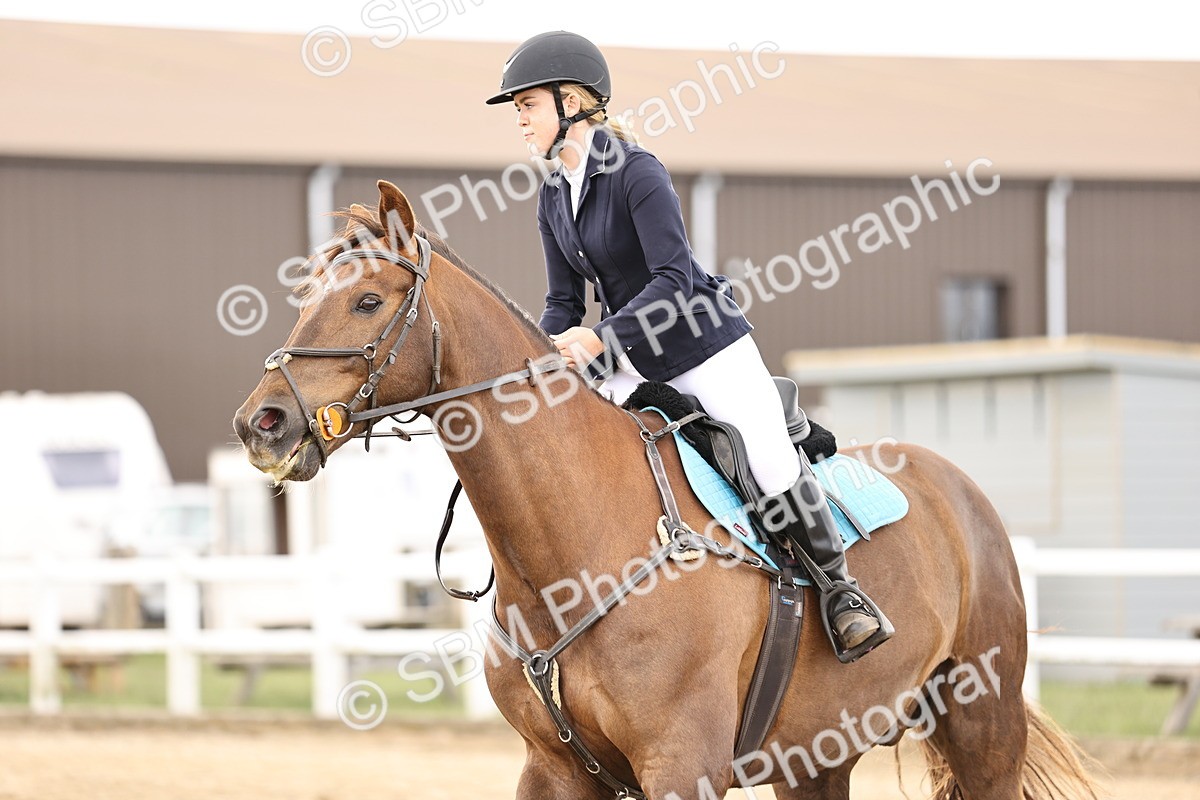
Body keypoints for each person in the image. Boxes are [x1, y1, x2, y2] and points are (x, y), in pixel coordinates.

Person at [485, 31, 889, 656]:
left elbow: (674, 278)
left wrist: (598, 338)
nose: (521, 121)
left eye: (528, 106)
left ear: (572, 102)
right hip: (627, 357)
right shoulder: (551, 197)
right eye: (518, 110)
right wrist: (540, 358)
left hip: (703, 345)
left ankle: (842, 594)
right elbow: (564, 301)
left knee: (769, 457)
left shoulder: (636, 172)